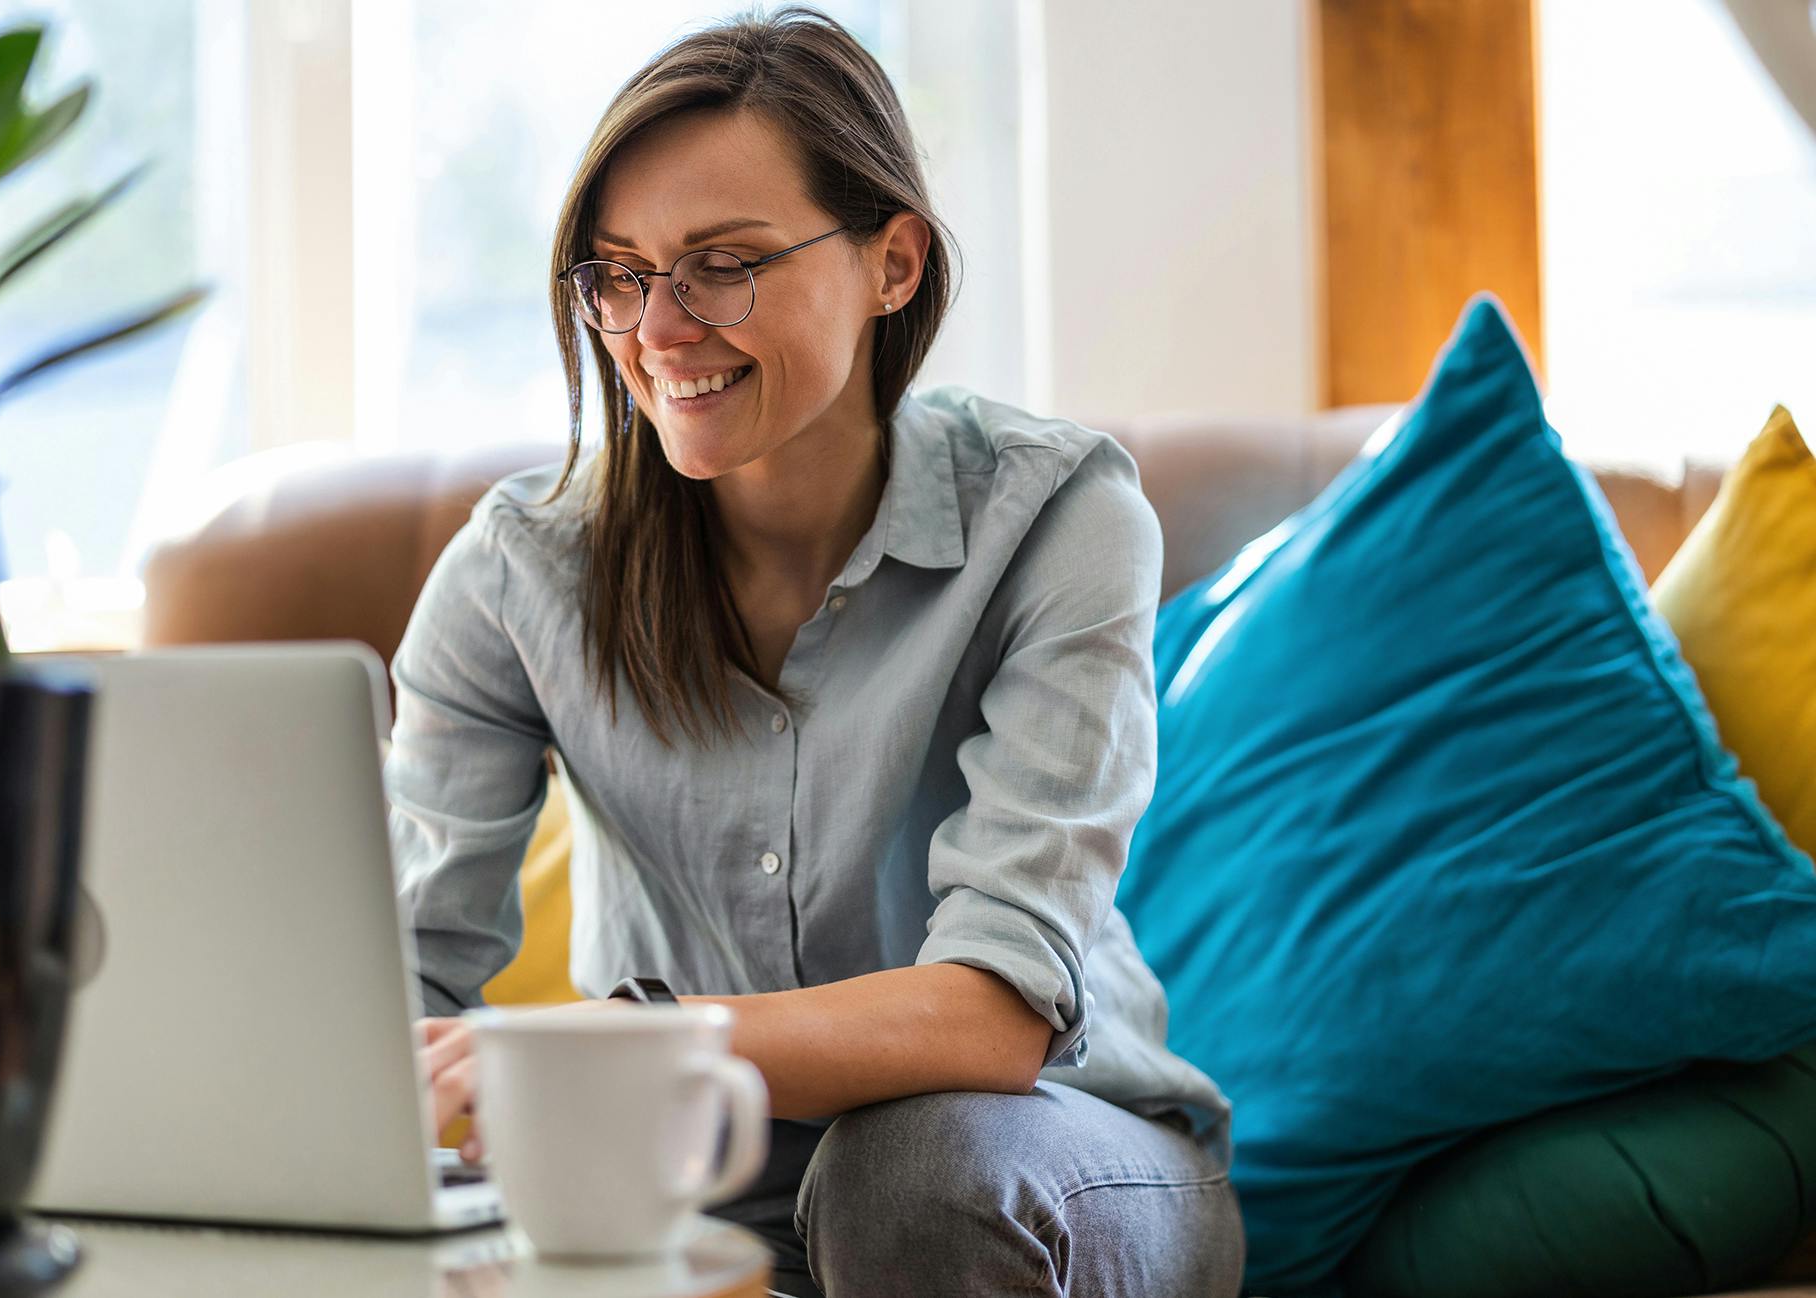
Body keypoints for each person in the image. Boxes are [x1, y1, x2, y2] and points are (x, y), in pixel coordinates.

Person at [388, 7, 1242, 1295]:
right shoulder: (521, 574)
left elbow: (992, 1010)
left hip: (1060, 1164)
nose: (657, 330)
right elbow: (399, 971)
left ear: (893, 261)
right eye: (617, 274)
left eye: (723, 264)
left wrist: (639, 1044)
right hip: (687, 1180)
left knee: (909, 1170)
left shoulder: (1060, 522)